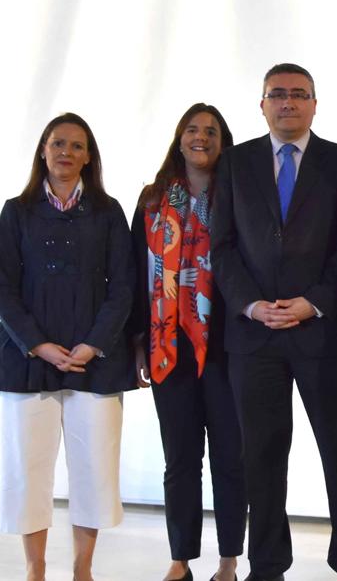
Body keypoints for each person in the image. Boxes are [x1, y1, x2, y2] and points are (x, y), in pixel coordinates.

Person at [211, 63, 337, 581]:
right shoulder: (234, 163)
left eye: (298, 95)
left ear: (315, 104)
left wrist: (314, 301)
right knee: (261, 457)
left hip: (324, 332)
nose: (288, 103)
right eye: (277, 95)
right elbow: (223, 246)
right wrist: (251, 305)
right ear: (262, 104)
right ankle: (268, 565)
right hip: (253, 336)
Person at [0, 113, 135, 581]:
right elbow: (4, 287)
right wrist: (37, 344)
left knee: (93, 470)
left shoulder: (108, 211)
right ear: (42, 150)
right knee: (28, 471)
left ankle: (83, 570)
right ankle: (35, 570)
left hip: (93, 362)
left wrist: (93, 345)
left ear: (89, 156)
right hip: (27, 360)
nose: (66, 153)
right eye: (58, 143)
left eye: (77, 146)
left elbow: (124, 286)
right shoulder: (16, 212)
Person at [129, 103, 245, 581]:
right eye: (193, 130)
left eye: (212, 131)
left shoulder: (240, 195)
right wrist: (138, 341)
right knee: (180, 459)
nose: (202, 137)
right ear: (179, 139)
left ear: (224, 142)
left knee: (229, 457)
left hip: (229, 346)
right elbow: (137, 274)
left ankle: (228, 560)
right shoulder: (152, 200)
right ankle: (180, 558)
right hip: (167, 346)